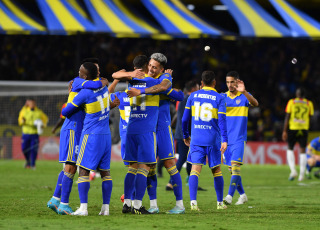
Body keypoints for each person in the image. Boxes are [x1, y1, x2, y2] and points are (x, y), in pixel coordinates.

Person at [47, 59, 109, 215]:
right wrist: (102, 82)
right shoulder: (79, 82)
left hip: (77, 128)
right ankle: (64, 204)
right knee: (71, 166)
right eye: (97, 70)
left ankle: (55, 198)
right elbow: (67, 111)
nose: (100, 73)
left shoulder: (86, 85)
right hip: (73, 128)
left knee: (70, 165)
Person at [127, 53, 185, 214]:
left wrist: (167, 88)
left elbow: (179, 94)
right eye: (150, 66)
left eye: (155, 67)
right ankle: (153, 205)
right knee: (148, 166)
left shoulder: (162, 82)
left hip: (162, 128)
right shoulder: (148, 80)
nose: (151, 69)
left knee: (169, 164)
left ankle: (180, 205)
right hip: (146, 129)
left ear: (161, 69)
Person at [62, 62, 119, 216]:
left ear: (85, 76)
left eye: (80, 72)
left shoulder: (85, 92)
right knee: (105, 172)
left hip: (91, 134)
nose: (78, 73)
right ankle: (105, 208)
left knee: (83, 171)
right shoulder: (104, 88)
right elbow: (105, 105)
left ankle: (83, 208)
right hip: (106, 135)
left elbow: (66, 111)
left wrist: (70, 95)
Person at [182, 70, 228, 211]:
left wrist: (185, 135)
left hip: (196, 138)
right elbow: (222, 120)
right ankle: (220, 203)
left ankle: (193, 203)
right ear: (214, 83)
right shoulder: (219, 98)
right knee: (217, 170)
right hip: (213, 139)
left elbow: (184, 119)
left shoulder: (193, 96)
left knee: (195, 170)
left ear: (201, 83)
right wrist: (224, 139)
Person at [109, 55, 149, 213]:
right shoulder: (145, 93)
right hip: (141, 134)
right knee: (144, 168)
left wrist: (116, 80)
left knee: (132, 169)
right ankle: (136, 203)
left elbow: (108, 93)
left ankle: (127, 201)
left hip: (126, 137)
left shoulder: (120, 96)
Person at [221, 71, 259, 206]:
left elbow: (255, 103)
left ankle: (229, 196)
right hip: (225, 140)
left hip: (238, 138)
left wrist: (245, 92)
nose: (229, 85)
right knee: (232, 170)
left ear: (237, 82)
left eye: (232, 82)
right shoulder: (222, 97)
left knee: (236, 167)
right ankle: (242, 195)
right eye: (227, 82)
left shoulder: (243, 97)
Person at [167, 80, 206, 191]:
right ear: (193, 88)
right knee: (183, 158)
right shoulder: (189, 99)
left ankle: (192, 182)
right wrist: (187, 134)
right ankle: (170, 183)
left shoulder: (184, 99)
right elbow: (186, 119)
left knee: (190, 159)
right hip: (184, 135)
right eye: (198, 86)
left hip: (184, 133)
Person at [282, 87, 314, 181]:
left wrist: (284, 130)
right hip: (304, 128)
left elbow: (287, 117)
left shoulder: (292, 102)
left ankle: (293, 171)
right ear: (304, 95)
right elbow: (310, 117)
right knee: (303, 151)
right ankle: (301, 175)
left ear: (297, 94)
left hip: (293, 128)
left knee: (290, 149)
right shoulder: (309, 103)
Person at [18, 98, 48, 169]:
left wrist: (42, 125)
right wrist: (23, 121)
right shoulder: (24, 111)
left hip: (34, 134)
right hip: (26, 133)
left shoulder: (39, 112)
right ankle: (28, 160)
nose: (32, 104)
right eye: (30, 103)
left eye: (33, 103)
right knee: (24, 148)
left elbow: (45, 119)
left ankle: (33, 164)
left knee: (34, 149)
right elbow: (20, 122)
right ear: (28, 103)